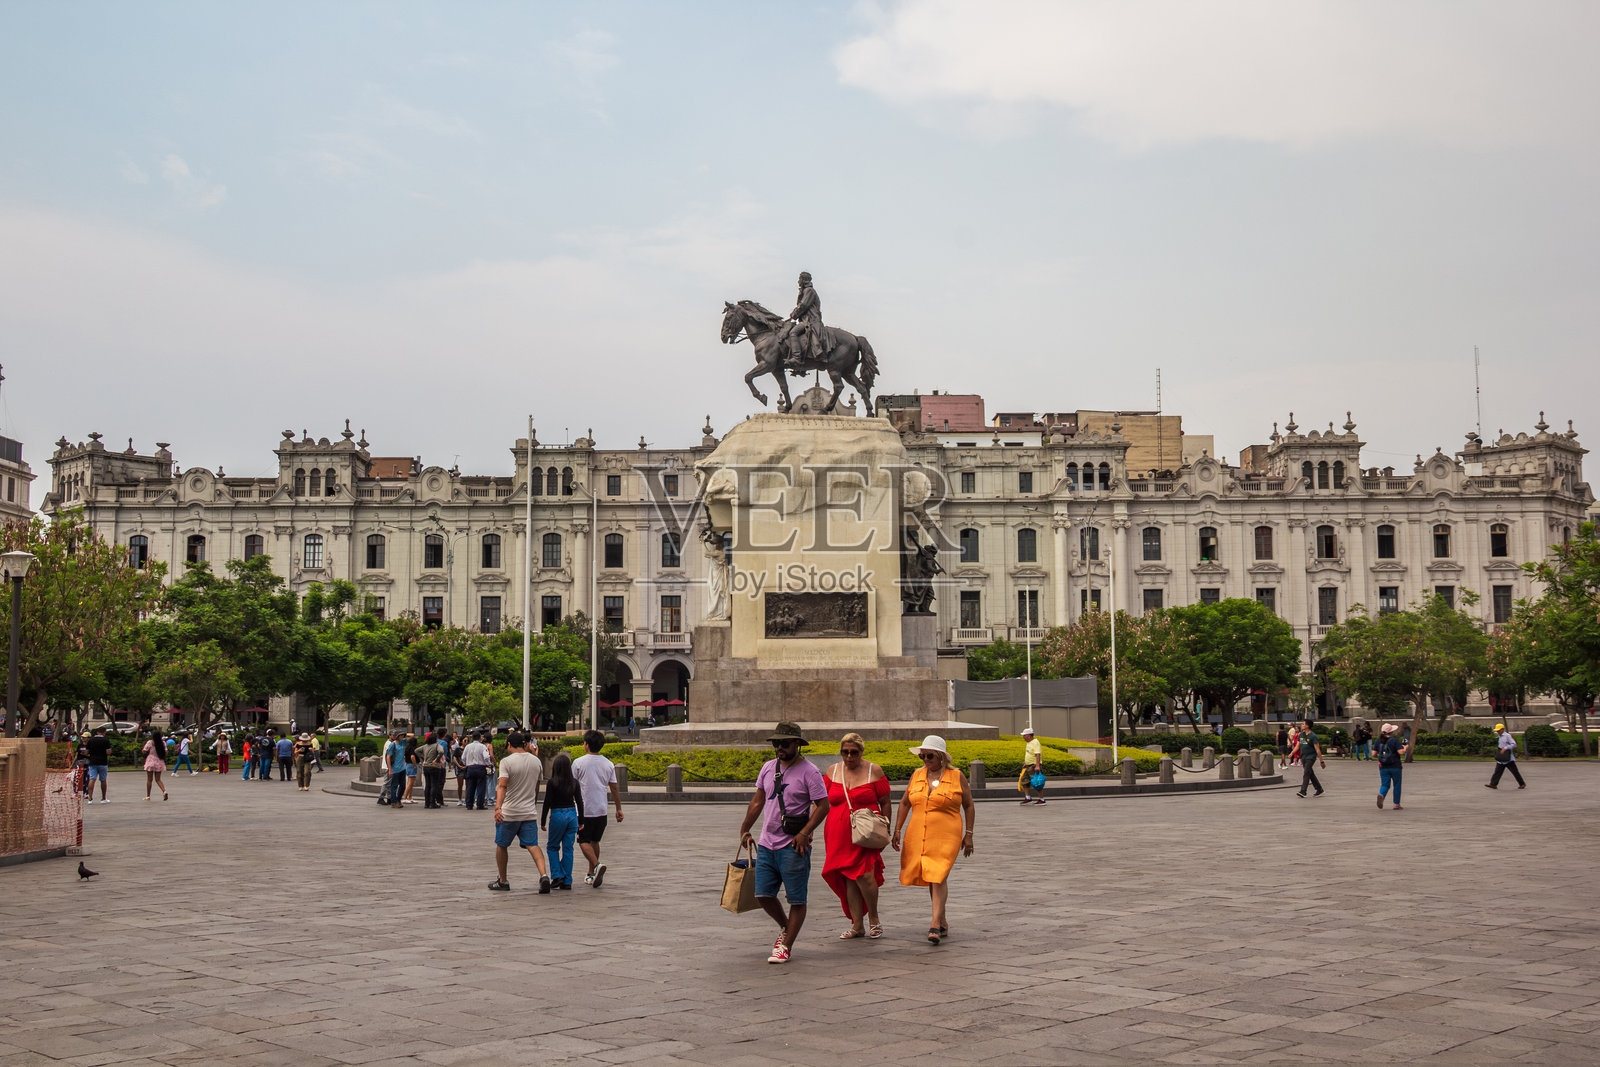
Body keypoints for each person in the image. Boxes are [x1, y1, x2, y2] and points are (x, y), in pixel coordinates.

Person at [739, 722, 829, 964]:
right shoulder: (768, 768)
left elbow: (823, 806)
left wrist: (805, 832)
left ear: (798, 745)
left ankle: (785, 946)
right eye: (776, 743)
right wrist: (745, 829)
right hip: (768, 843)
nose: (780, 747)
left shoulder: (810, 772)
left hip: (793, 845)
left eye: (785, 743)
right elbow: (757, 801)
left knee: (796, 899)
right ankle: (785, 927)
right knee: (763, 894)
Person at [891, 735, 973, 946]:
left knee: (938, 874)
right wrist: (897, 829)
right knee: (931, 873)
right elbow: (904, 803)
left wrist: (969, 834)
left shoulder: (957, 776)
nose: (925, 760)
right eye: (922, 756)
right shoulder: (917, 775)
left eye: (929, 756)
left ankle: (935, 924)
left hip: (947, 834)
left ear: (941, 757)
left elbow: (969, 805)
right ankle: (943, 920)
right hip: (918, 832)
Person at [821, 732, 890, 940]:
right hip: (837, 834)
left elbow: (886, 801)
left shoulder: (874, 771)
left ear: (861, 752)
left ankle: (874, 919)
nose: (849, 757)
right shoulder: (833, 771)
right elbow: (821, 801)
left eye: (854, 752)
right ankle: (857, 925)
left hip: (864, 832)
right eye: (845, 752)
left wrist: (887, 827)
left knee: (865, 876)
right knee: (848, 877)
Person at [488, 732, 551, 893]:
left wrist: (497, 807)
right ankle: (544, 875)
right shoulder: (536, 761)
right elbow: (537, 785)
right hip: (528, 812)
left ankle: (503, 880)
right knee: (533, 845)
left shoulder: (506, 762)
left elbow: (502, 786)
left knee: (502, 845)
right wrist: (533, 802)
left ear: (509, 745)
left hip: (509, 813)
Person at [572, 729, 625, 887]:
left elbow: (572, 786)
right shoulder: (608, 764)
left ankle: (596, 865)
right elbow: (614, 788)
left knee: (583, 840)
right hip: (601, 809)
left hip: (584, 809)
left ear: (586, 744)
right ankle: (591, 873)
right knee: (595, 841)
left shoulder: (578, 763)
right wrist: (618, 808)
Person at [542, 751, 580, 890]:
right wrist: (581, 820)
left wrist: (542, 820)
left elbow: (547, 802)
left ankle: (557, 875)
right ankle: (567, 880)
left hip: (557, 814)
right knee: (568, 849)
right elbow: (580, 802)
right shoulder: (574, 782)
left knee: (552, 847)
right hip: (571, 814)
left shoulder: (552, 783)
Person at [784, 271, 825, 364]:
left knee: (793, 332)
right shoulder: (806, 291)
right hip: (806, 320)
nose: (798, 281)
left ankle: (797, 358)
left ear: (804, 280)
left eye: (799, 279)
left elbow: (803, 305)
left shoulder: (809, 291)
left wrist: (793, 315)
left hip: (810, 320)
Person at [1376, 723, 1409, 810]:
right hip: (1395, 766)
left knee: (1385, 785)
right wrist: (1405, 747)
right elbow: (1401, 752)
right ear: (1391, 731)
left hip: (1383, 766)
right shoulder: (1395, 740)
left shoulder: (1378, 741)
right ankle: (1396, 804)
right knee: (1397, 785)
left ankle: (1381, 794)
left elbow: (1373, 754)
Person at [1487, 723, 1527, 789]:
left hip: (1508, 758)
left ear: (1503, 729)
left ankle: (1522, 784)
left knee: (1515, 772)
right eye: (1497, 731)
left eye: (1499, 730)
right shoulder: (1499, 736)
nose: (1498, 732)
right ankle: (1493, 784)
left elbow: (1514, 744)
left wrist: (1506, 748)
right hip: (1501, 757)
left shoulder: (1507, 736)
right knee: (1497, 772)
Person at [462, 731, 493, 810]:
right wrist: (488, 764)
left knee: (470, 787)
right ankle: (480, 804)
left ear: (472, 738)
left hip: (470, 768)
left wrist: (467, 764)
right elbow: (486, 757)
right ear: (480, 738)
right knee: (481, 787)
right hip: (480, 768)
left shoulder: (467, 746)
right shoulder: (482, 747)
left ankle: (469, 804)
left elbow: (463, 758)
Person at [1295, 720, 1325, 798]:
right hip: (1303, 757)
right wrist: (1292, 753)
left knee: (1306, 773)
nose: (1301, 725)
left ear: (1307, 726)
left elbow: (1317, 749)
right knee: (1310, 773)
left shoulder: (1313, 736)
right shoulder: (1302, 735)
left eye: (1303, 724)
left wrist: (1321, 761)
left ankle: (1303, 791)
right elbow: (1298, 746)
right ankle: (1319, 789)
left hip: (1311, 757)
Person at [1018, 725, 1046, 805]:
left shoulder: (1035, 742)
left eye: (1024, 735)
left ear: (1029, 735)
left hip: (1034, 766)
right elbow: (1029, 754)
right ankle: (1028, 798)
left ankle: (1042, 799)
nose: (1023, 737)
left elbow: (1038, 754)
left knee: (1037, 783)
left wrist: (1037, 766)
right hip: (1028, 766)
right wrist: (1026, 764)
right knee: (1024, 781)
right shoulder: (1029, 743)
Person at [380, 729, 407, 809]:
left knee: (403, 786)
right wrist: (390, 769)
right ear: (397, 736)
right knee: (394, 786)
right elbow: (388, 757)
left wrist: (404, 733)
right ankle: (394, 801)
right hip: (395, 768)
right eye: (401, 735)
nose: (402, 736)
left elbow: (411, 736)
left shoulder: (402, 742)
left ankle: (398, 799)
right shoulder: (392, 745)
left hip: (402, 768)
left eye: (403, 735)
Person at [420, 732, 447, 809]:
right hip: (434, 767)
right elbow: (441, 751)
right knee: (434, 785)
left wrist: (423, 758)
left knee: (428, 785)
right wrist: (436, 759)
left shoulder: (425, 746)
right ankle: (432, 803)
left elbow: (417, 750)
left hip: (426, 766)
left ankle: (426, 803)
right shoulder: (437, 745)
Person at [143, 729, 170, 801]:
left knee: (149, 780)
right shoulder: (163, 743)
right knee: (158, 779)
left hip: (151, 761)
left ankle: (148, 796)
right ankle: (164, 791)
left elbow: (144, 750)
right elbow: (165, 751)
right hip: (159, 761)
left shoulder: (150, 742)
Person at [85, 727, 111, 803]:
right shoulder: (106, 740)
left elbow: (87, 752)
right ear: (104, 732)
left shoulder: (91, 740)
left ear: (97, 732)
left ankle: (90, 798)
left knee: (92, 779)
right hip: (103, 762)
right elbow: (108, 752)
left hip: (92, 762)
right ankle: (103, 798)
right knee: (103, 780)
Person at [402, 731, 420, 804]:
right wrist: (415, 764)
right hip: (412, 765)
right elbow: (412, 756)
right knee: (410, 783)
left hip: (409, 764)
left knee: (411, 783)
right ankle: (405, 797)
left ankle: (410, 797)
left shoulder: (407, 747)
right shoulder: (412, 748)